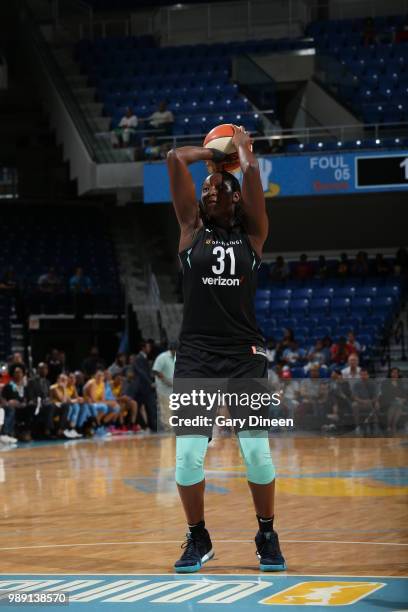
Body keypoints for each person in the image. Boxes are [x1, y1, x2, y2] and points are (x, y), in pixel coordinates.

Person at [166, 125, 286, 573]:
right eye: (207, 188)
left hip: (243, 353)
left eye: (220, 188)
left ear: (237, 199)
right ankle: (198, 537)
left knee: (256, 451)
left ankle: (267, 533)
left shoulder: (253, 235)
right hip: (196, 353)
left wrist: (242, 150)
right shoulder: (190, 228)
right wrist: (212, 155)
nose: (211, 191)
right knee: (187, 458)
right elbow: (174, 159)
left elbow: (251, 174)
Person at [152, 341, 177, 432]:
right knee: (166, 410)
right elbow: (155, 371)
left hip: (174, 389)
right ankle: (168, 430)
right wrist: (165, 380)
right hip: (164, 389)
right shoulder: (162, 357)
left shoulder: (177, 358)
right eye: (175, 350)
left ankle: (174, 430)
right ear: (171, 349)